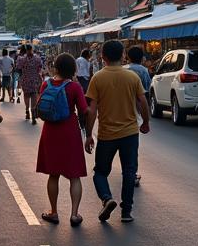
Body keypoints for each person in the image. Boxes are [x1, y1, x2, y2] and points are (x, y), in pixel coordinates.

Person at [85, 40, 150, 223]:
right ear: (123, 55)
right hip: (130, 132)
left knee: (100, 172)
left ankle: (106, 198)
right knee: (129, 171)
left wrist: (89, 134)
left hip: (107, 134)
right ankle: (126, 211)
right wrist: (145, 122)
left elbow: (92, 109)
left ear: (102, 56)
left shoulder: (98, 78)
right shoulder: (132, 77)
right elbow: (143, 101)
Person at [35, 52, 89, 226]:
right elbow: (83, 110)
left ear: (55, 67)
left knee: (53, 175)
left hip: (50, 132)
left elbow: (40, 105)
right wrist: (88, 133)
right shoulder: (74, 87)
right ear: (73, 69)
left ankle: (54, 211)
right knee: (74, 175)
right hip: (69, 131)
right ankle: (74, 214)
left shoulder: (46, 84)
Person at [126, 45, 151, 188]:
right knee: (132, 146)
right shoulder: (143, 71)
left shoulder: (125, 70)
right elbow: (145, 93)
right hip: (136, 111)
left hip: (123, 109)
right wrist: (146, 119)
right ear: (142, 58)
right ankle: (132, 173)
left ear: (127, 57)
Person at [17, 44, 45, 123]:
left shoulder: (22, 59)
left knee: (26, 95)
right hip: (34, 80)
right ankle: (33, 112)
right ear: (32, 49)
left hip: (25, 80)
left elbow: (18, 67)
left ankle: (27, 110)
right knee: (34, 95)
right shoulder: (37, 58)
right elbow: (40, 68)